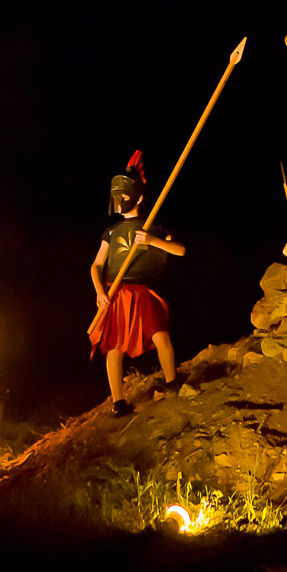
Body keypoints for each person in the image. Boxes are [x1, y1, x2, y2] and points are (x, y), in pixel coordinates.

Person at [88, 151, 184, 416]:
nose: (119, 202)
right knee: (113, 347)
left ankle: (172, 383)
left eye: (125, 196)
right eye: (117, 197)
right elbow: (97, 265)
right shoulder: (110, 231)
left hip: (146, 290)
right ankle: (119, 403)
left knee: (161, 335)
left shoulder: (154, 226)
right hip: (116, 292)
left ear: (139, 198)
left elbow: (180, 250)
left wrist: (153, 241)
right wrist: (99, 292)